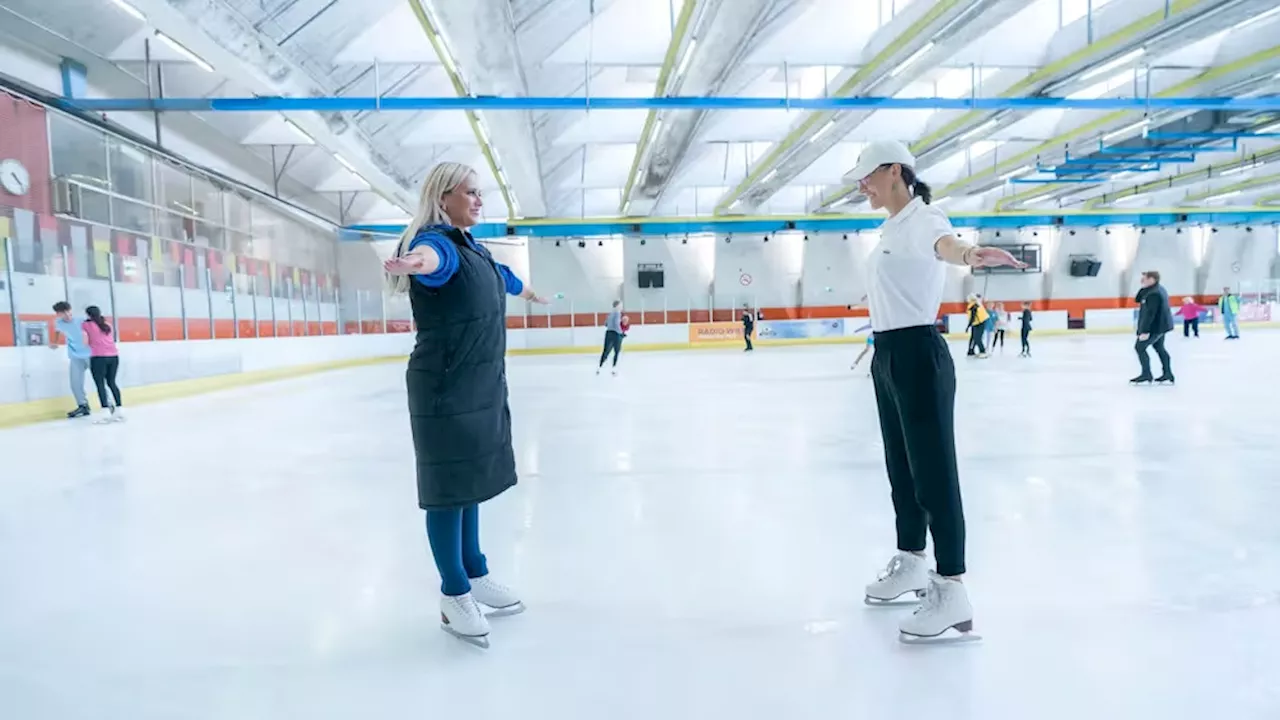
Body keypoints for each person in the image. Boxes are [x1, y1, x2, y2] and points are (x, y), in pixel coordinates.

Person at [844, 140, 1023, 642]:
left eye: (868, 177)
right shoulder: (890, 228)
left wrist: (968, 253)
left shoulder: (924, 218)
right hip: (890, 354)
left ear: (896, 171)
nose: (863, 185)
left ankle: (952, 587)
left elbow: (944, 244)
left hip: (918, 355)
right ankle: (911, 560)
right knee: (902, 468)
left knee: (933, 472)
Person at [382, 161, 550, 649]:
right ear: (444, 197)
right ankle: (453, 593)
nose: (479, 201)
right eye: (471, 193)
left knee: (470, 482)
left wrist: (531, 292)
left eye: (481, 194)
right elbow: (430, 261)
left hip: (478, 384)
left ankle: (475, 573)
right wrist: (412, 265)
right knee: (447, 488)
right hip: (445, 386)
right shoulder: (437, 245)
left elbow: (505, 279)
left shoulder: (473, 248)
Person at [49, 301, 92, 418]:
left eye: (68, 311)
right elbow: (58, 331)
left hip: (91, 354)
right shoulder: (58, 322)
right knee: (75, 383)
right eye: (63, 313)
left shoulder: (82, 320)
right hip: (75, 356)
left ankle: (108, 402)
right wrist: (55, 342)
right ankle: (83, 405)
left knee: (100, 380)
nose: (67, 314)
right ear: (58, 314)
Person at [1132, 270, 1175, 385]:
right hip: (1161, 326)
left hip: (1156, 327)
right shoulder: (1153, 290)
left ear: (1152, 280)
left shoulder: (1154, 293)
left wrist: (1145, 331)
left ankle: (1146, 374)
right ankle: (1168, 373)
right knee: (1159, 348)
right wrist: (1143, 287)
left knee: (1140, 347)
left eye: (1144, 279)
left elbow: (1150, 314)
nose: (1141, 281)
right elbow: (1137, 299)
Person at [83, 305, 124, 422]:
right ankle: (119, 410)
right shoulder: (107, 325)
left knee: (100, 384)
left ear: (88, 315)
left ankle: (105, 412)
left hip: (98, 357)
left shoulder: (86, 325)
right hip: (114, 356)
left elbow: (85, 342)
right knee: (112, 382)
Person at [598, 300, 624, 375]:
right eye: (621, 305)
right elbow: (616, 324)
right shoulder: (617, 313)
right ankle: (614, 368)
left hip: (608, 333)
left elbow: (606, 323)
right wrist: (621, 332)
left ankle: (600, 367)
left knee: (606, 351)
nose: (622, 307)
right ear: (617, 306)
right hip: (616, 334)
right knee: (616, 351)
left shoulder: (610, 314)